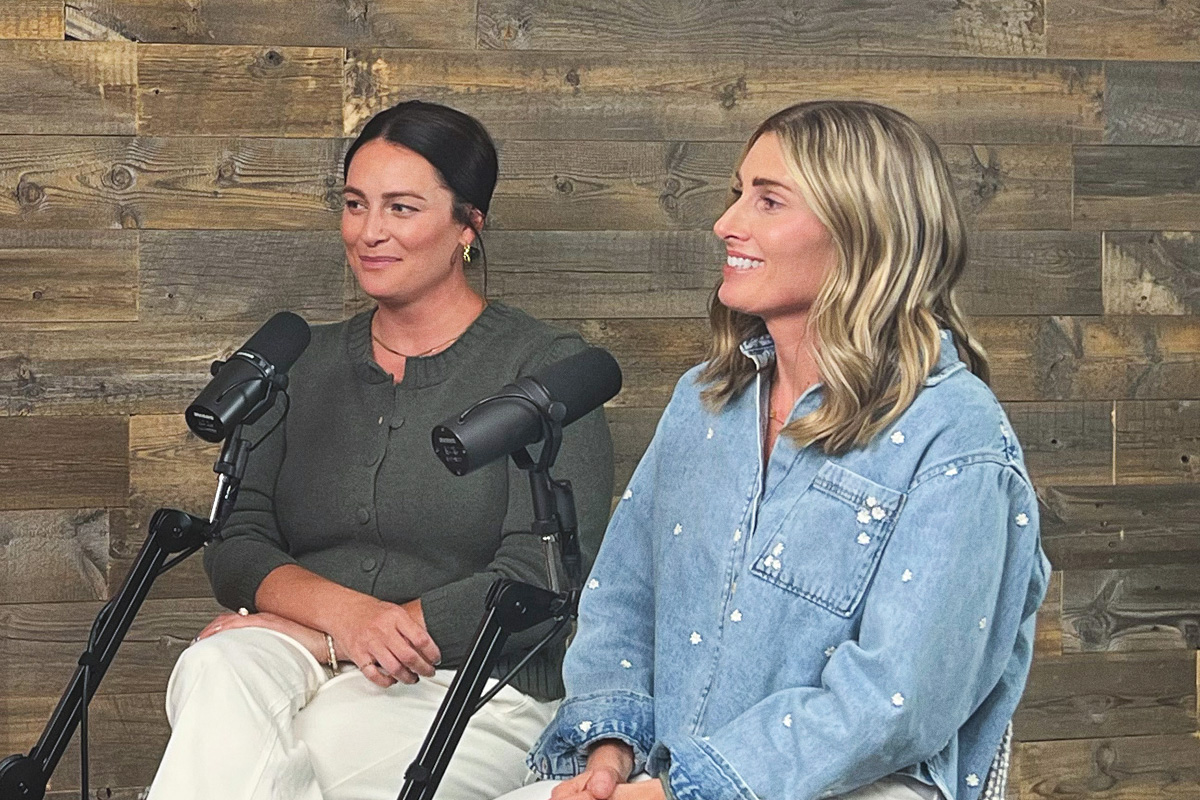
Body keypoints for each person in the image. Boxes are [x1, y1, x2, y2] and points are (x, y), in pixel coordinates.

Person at [504, 101, 1050, 800]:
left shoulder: (957, 435)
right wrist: (609, 750)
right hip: (662, 775)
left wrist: (687, 791)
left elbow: (896, 698)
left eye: (768, 200)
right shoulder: (704, 402)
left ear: (864, 230)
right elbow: (624, 602)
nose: (726, 222)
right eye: (738, 193)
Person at [146, 100, 614, 800]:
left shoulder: (543, 369)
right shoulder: (300, 363)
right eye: (355, 204)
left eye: (401, 208)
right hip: (298, 646)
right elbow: (238, 540)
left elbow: (538, 575)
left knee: (285, 751)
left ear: (468, 226)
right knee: (215, 669)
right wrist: (341, 624)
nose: (368, 232)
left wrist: (344, 642)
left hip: (474, 681)